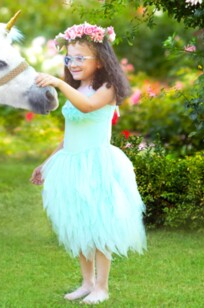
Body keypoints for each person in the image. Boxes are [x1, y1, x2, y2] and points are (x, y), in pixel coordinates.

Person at [30, 23, 147, 304]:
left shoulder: (107, 88)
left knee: (99, 226)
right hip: (71, 164)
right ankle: (86, 282)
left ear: (100, 60)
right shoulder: (77, 87)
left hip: (96, 165)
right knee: (78, 223)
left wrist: (58, 84)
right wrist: (47, 163)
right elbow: (69, 134)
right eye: (69, 58)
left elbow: (88, 107)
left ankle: (102, 287)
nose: (73, 64)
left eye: (81, 58)